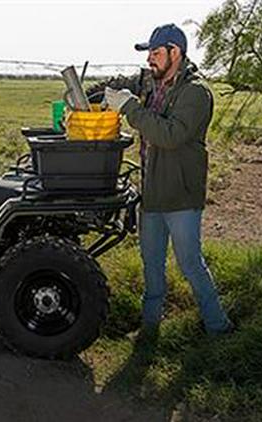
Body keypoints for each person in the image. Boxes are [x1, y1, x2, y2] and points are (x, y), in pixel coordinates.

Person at [103, 24, 232, 335]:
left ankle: (218, 326)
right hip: (153, 192)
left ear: (176, 52)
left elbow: (170, 135)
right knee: (152, 264)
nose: (150, 59)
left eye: (156, 53)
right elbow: (148, 128)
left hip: (181, 195)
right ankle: (150, 327)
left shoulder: (196, 93)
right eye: (149, 53)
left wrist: (131, 107)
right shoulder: (156, 86)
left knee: (190, 264)